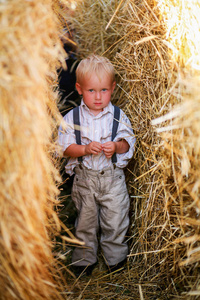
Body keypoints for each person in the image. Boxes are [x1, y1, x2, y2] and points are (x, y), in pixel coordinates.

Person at [58, 54, 136, 277]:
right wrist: (83, 149)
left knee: (116, 220)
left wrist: (116, 146)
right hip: (85, 180)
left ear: (112, 87)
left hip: (113, 179)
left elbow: (128, 143)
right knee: (85, 222)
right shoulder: (72, 118)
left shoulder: (119, 116)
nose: (99, 97)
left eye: (104, 90)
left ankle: (115, 260)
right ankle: (84, 261)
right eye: (92, 90)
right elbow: (63, 148)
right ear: (79, 88)